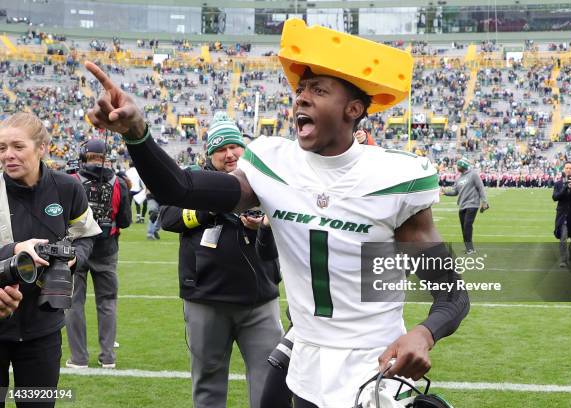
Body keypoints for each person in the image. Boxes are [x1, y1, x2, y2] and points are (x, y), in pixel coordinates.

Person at [83, 22, 469, 407]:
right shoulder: (273, 164)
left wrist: (424, 333)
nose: (301, 98)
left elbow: (452, 294)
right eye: (300, 89)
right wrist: (137, 133)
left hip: (375, 364)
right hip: (305, 360)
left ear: (353, 108)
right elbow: (180, 189)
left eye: (318, 90)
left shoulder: (393, 178)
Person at [158, 112, 284, 408]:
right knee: (207, 385)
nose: (229, 154)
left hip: (260, 300)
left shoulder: (264, 177)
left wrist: (264, 223)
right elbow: (168, 217)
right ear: (209, 154)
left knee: (269, 384)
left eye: (234, 147)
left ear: (244, 148)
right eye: (220, 149)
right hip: (207, 300)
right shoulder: (194, 180)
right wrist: (216, 202)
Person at [0, 112, 101, 408]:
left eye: (18, 146)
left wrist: (74, 259)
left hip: (43, 328)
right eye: (2, 148)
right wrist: (15, 251)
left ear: (42, 147)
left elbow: (86, 236)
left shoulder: (67, 188)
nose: (8, 155)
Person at [65, 138, 132, 369]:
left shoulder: (70, 180)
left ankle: (79, 358)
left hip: (75, 248)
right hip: (107, 248)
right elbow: (125, 220)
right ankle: (107, 357)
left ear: (83, 156)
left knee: (73, 303)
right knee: (107, 303)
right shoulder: (119, 183)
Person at [441, 158, 489, 254]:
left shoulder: (473, 175)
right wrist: (445, 192)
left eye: (458, 165)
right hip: (462, 205)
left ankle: (470, 248)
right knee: (464, 227)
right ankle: (468, 248)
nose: (457, 167)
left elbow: (481, 188)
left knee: (467, 225)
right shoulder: (458, 178)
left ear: (462, 166)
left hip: (472, 204)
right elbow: (455, 192)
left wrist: (484, 202)